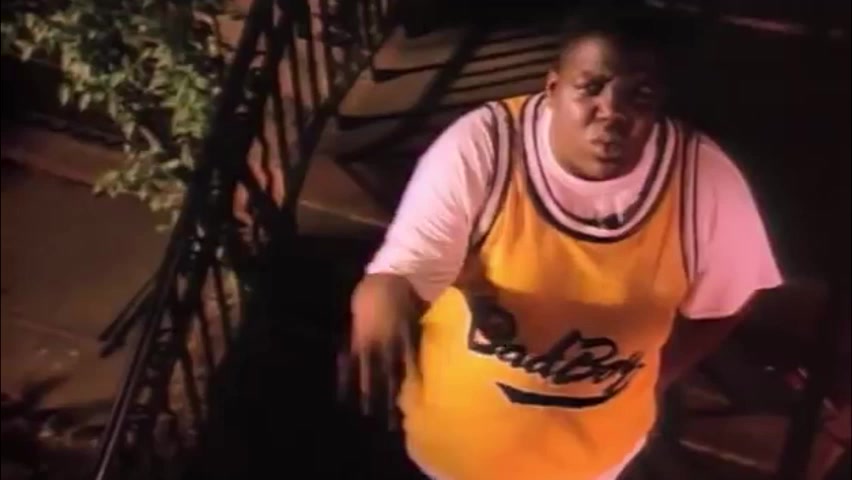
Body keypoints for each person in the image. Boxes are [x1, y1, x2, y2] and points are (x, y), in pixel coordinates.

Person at [343, 5, 783, 479]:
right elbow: (408, 263)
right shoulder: (485, 147)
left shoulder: (703, 181)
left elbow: (728, 300)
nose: (612, 113)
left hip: (596, 460)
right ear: (552, 89)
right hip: (452, 452)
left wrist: (659, 373)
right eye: (590, 88)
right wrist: (383, 295)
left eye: (639, 95)